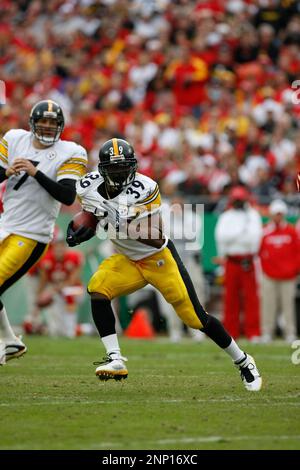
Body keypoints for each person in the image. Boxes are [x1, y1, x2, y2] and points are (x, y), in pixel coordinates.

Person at [66, 138, 262, 391]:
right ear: (102, 170)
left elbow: (156, 234)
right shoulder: (88, 186)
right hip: (128, 258)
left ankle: (244, 360)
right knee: (97, 287)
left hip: (158, 258)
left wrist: (123, 222)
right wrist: (83, 229)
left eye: (124, 168)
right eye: (114, 170)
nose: (120, 174)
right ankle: (115, 358)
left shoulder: (144, 188)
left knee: (196, 318)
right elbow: (92, 214)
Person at [0, 99, 88, 363]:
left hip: (32, 234)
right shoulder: (14, 138)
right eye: (43, 122)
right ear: (32, 123)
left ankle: (7, 341)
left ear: (61, 126)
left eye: (53, 123)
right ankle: (10, 341)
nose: (48, 127)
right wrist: (6, 171)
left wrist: (36, 172)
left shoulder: (71, 151)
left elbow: (67, 196)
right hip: (5, 225)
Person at [214, 186, 262, 341]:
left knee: (251, 298)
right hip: (232, 261)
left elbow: (254, 239)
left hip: (248, 260)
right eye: (236, 200)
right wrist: (241, 233)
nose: (238, 203)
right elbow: (221, 237)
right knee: (230, 298)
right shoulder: (226, 216)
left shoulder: (253, 215)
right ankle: (230, 332)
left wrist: (233, 236)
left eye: (240, 200)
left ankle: (253, 332)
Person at [259, 200, 300, 343]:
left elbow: (297, 252)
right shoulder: (265, 231)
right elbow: (259, 252)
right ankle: (267, 332)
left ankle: (290, 332)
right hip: (269, 275)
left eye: (280, 214)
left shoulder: (290, 230)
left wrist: (294, 270)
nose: (278, 217)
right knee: (268, 305)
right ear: (271, 214)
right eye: (276, 214)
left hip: (288, 276)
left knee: (288, 305)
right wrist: (265, 270)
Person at [35, 230, 84, 338]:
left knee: (67, 294)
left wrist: (55, 289)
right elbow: (43, 280)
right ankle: (55, 329)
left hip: (75, 289)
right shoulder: (47, 259)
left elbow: (73, 280)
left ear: (65, 248)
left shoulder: (73, 257)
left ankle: (70, 331)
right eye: (57, 247)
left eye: (62, 246)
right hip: (57, 290)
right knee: (51, 299)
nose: (59, 250)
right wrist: (39, 294)